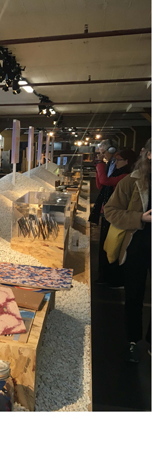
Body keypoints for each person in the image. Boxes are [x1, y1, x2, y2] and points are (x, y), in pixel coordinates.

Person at [104, 138, 151, 363]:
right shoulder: (131, 181)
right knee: (134, 294)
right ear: (148, 154)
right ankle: (133, 339)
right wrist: (140, 217)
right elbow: (110, 211)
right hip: (137, 245)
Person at [95, 148, 138, 286]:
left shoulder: (126, 176)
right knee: (106, 245)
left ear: (127, 161)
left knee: (112, 246)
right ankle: (105, 276)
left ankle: (113, 279)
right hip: (109, 212)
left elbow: (105, 181)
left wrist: (100, 165)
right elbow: (101, 184)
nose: (116, 163)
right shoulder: (117, 173)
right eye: (115, 160)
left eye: (119, 160)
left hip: (116, 216)